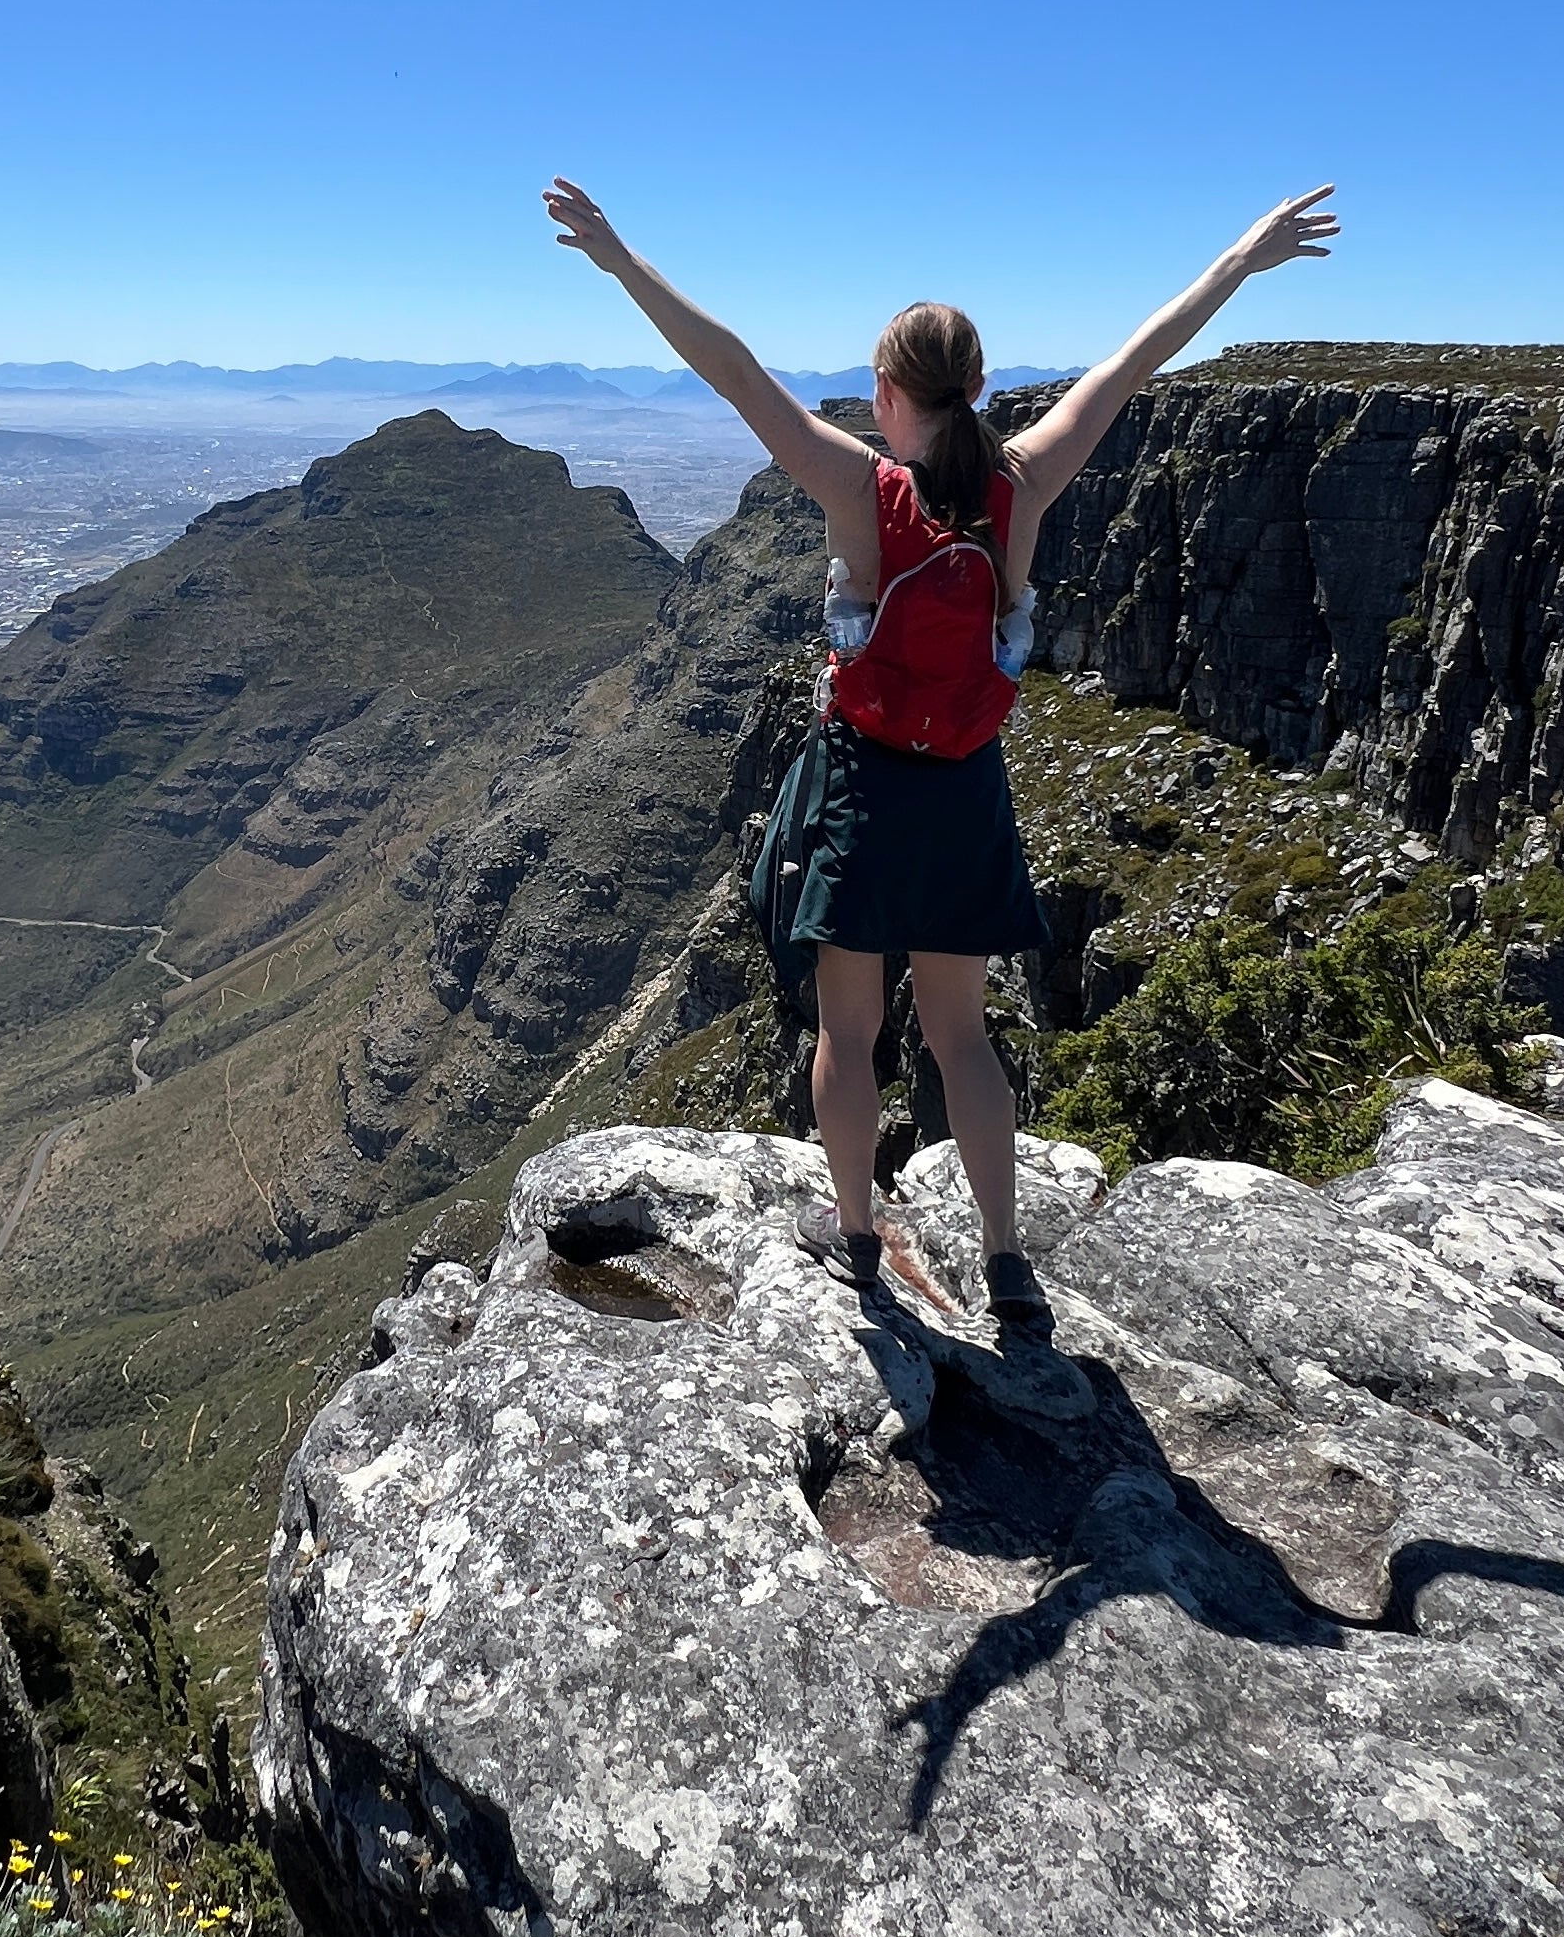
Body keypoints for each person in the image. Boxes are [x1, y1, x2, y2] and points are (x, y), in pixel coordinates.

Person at [540, 173, 1339, 1323]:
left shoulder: (860, 490)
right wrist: (1237, 262)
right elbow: (1134, 362)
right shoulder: (1023, 483)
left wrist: (620, 260)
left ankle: (857, 1235)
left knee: (849, 1029)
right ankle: (1007, 1259)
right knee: (961, 1034)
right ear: (977, 387)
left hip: (865, 793)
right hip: (966, 791)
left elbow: (730, 369)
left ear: (884, 392)